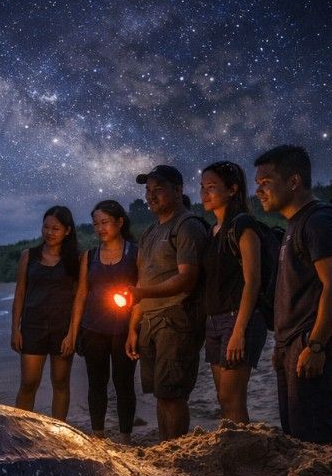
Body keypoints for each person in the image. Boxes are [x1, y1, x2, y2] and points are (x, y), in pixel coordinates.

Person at [254, 145, 332, 444]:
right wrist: (281, 345)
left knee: (314, 438)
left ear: (294, 181)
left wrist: (317, 345)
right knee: (296, 436)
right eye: (258, 184)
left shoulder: (320, 221)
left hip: (313, 343)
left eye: (266, 183)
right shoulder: (294, 224)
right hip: (295, 345)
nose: (259, 191)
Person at [125, 164, 210, 440]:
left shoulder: (187, 226)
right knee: (161, 393)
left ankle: (177, 450)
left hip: (176, 319)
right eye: (148, 191)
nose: (151, 196)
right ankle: (167, 449)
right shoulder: (150, 232)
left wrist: (144, 295)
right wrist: (133, 327)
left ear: (177, 190)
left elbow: (187, 278)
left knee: (173, 393)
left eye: (158, 189)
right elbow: (141, 281)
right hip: (149, 320)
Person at [63, 200, 138, 443]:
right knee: (96, 383)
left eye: (105, 222)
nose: (100, 228)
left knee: (123, 382)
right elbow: (81, 294)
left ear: (119, 222)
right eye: (96, 224)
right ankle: (98, 437)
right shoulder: (90, 256)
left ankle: (125, 437)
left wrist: (135, 326)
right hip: (93, 327)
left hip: (124, 328)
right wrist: (73, 333)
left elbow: (142, 290)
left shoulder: (135, 252)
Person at [200, 161, 267, 423]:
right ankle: (232, 451)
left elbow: (253, 281)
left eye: (212, 187)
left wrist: (239, 331)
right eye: (202, 187)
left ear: (232, 189)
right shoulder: (212, 231)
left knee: (232, 398)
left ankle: (244, 456)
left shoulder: (243, 225)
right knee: (223, 398)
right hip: (215, 320)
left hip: (238, 318)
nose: (205, 193)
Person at [10, 206, 80, 418]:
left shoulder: (76, 260)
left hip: (62, 328)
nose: (50, 232)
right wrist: (15, 329)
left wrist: (72, 334)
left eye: (56, 228)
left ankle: (58, 430)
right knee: (29, 383)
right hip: (32, 326)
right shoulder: (28, 256)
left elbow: (78, 299)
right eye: (46, 227)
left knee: (60, 382)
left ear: (67, 231)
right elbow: (20, 294)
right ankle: (19, 429)